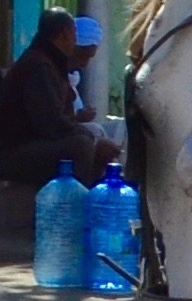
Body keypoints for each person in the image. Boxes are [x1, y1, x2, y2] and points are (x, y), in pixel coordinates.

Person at [0, 9, 121, 186]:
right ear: (64, 33)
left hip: (23, 145)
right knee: (81, 145)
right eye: (73, 33)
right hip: (12, 152)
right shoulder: (40, 66)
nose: (74, 40)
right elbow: (50, 123)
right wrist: (93, 141)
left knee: (89, 139)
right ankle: (75, 204)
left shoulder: (48, 62)